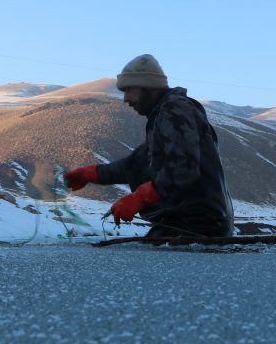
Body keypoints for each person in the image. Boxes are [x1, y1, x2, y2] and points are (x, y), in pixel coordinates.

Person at [63, 54, 234, 238]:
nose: (125, 99)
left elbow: (183, 168)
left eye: (129, 89)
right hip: (183, 223)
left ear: (148, 85)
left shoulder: (176, 110)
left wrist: (140, 197)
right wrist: (91, 174)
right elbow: (136, 163)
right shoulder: (162, 117)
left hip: (200, 225)